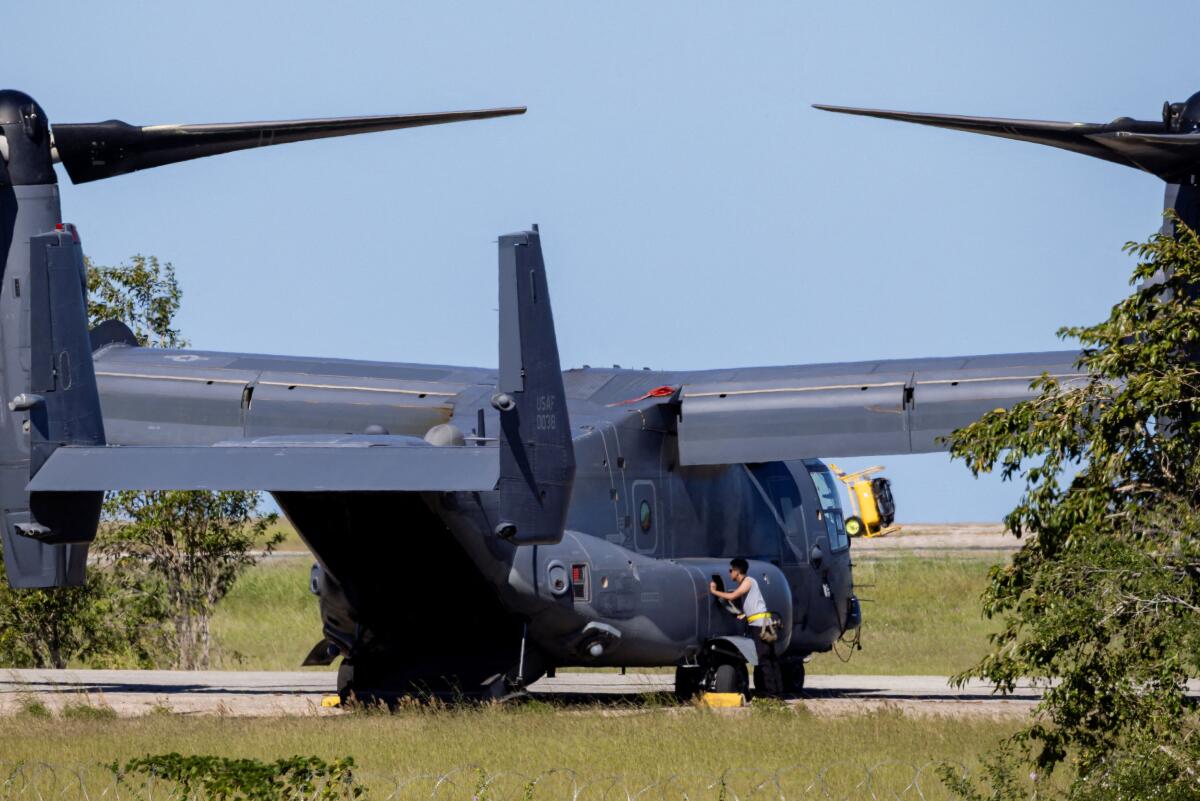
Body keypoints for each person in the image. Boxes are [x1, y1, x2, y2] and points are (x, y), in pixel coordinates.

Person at [709, 557, 783, 696]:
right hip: (762, 623)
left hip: (760, 626)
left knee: (764, 659)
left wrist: (714, 591)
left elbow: (732, 597)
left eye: (731, 570)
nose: (730, 573)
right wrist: (744, 614)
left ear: (737, 571)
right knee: (770, 658)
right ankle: (777, 690)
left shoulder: (748, 581)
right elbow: (751, 603)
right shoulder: (748, 583)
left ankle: (771, 693)